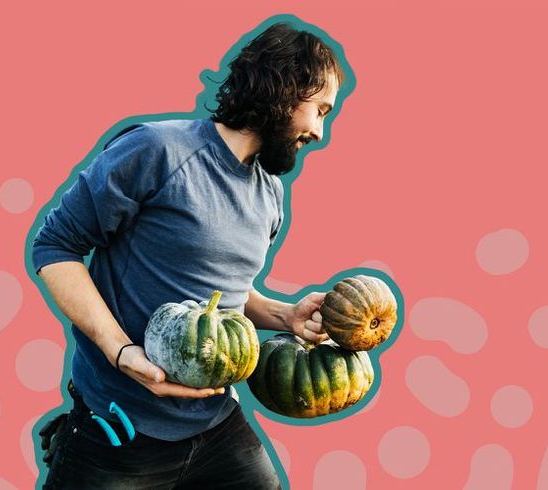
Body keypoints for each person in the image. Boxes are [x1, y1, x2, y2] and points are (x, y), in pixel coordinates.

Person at [31, 21, 344, 489]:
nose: (319, 131)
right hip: (119, 428)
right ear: (283, 86)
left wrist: (286, 314)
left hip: (214, 425)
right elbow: (55, 247)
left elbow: (218, 291)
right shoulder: (158, 150)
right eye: (317, 109)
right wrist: (123, 353)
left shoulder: (270, 193)